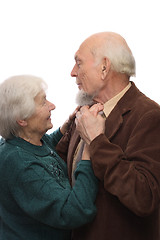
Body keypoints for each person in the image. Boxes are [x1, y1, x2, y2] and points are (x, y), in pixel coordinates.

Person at [56, 32, 160, 240]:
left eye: (79, 63)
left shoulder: (149, 116)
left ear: (104, 67)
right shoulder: (86, 111)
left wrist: (97, 141)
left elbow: (144, 197)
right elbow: (59, 166)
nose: (72, 72)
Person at [0, 75, 101, 240]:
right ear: (21, 119)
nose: (52, 106)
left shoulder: (27, 140)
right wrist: (90, 148)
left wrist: (66, 127)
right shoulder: (19, 163)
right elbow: (74, 213)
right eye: (43, 102)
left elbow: (45, 146)